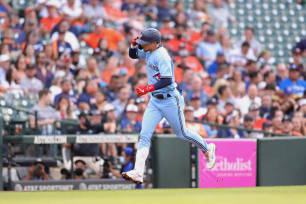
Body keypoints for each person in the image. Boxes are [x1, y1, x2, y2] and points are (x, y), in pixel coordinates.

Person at [121, 28, 216, 184]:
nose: (142, 45)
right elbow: (133, 55)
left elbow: (167, 80)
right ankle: (138, 172)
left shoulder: (162, 55)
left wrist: (146, 89)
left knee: (182, 133)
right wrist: (132, 46)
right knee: (144, 135)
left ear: (155, 43)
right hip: (155, 101)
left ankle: (207, 148)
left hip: (170, 100)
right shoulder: (149, 51)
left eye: (145, 43)